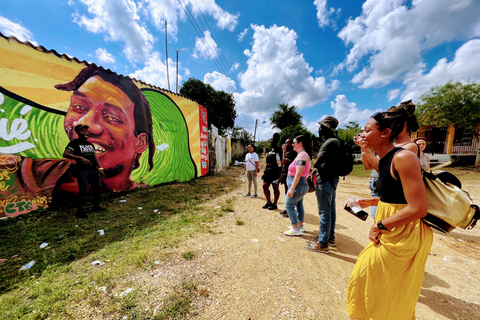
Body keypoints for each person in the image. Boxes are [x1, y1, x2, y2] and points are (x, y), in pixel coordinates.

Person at [346, 111, 433, 320]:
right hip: (390, 230)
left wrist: (380, 225)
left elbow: (419, 208)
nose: (362, 134)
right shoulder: (386, 159)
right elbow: (395, 197)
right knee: (369, 282)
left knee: (390, 291)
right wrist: (367, 201)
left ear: (385, 133)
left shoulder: (404, 157)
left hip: (404, 234)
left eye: (368, 130)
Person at [55, 65, 155, 193]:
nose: (84, 123)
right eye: (79, 107)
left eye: (112, 117)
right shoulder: (30, 173)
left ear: (140, 142)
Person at [307, 116, 341, 254]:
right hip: (333, 178)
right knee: (331, 209)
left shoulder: (328, 143)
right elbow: (329, 162)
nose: (319, 129)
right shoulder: (337, 141)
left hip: (325, 180)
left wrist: (315, 165)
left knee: (324, 212)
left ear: (327, 128)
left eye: (321, 126)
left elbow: (317, 162)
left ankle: (322, 244)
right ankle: (330, 237)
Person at [63, 124, 106, 218]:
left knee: (96, 188)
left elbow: (95, 157)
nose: (86, 132)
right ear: (78, 132)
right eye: (83, 130)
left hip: (93, 170)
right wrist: (80, 158)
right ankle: (79, 211)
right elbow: (65, 154)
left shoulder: (90, 145)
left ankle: (96, 206)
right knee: (83, 190)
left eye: (86, 130)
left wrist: (100, 168)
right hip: (82, 171)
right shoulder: (74, 143)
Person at [283, 135, 311, 236]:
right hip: (300, 184)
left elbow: (298, 173)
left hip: (298, 185)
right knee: (299, 205)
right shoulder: (302, 155)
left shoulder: (302, 156)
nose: (293, 145)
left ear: (300, 144)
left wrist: (292, 189)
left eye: (294, 143)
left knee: (289, 205)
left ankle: (295, 228)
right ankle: (300, 225)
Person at [261, 133, 282, 210]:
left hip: (275, 171)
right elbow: (266, 162)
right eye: (270, 140)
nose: (270, 142)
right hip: (268, 171)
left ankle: (275, 204)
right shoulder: (269, 150)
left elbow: (280, 163)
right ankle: (268, 202)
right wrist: (264, 172)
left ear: (276, 141)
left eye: (272, 140)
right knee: (265, 186)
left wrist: (279, 175)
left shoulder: (279, 150)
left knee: (275, 187)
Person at [279, 138, 297, 217]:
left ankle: (289, 210)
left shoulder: (292, 152)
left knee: (289, 192)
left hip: (290, 174)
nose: (286, 144)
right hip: (286, 172)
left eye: (287, 143)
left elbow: (283, 161)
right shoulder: (289, 152)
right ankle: (287, 209)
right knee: (286, 191)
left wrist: (283, 151)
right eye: (285, 142)